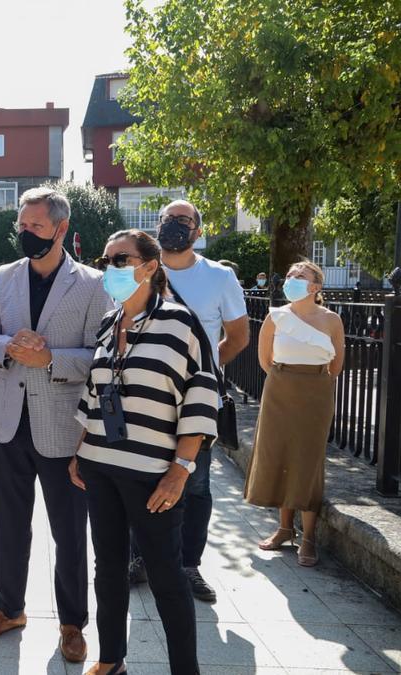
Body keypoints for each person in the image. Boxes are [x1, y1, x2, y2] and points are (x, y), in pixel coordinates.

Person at [0, 187, 111, 663]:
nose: (26, 234)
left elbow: (99, 357)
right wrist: (10, 347)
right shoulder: (6, 277)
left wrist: (50, 357)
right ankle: (8, 608)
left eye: (36, 227)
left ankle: (72, 624)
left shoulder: (92, 284)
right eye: (22, 227)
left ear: (61, 229)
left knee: (69, 532)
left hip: (64, 428)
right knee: (8, 526)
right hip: (8, 422)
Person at [69, 229, 219, 675]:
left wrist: (181, 470)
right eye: (106, 259)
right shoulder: (108, 322)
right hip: (100, 467)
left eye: (121, 259)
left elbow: (201, 396)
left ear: (150, 267)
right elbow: (95, 394)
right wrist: (80, 451)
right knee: (108, 568)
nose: (109, 267)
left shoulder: (179, 323)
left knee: (166, 576)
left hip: (153, 474)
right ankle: (112, 659)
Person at [127, 199, 248, 603]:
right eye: (168, 220)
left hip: (196, 402)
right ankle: (139, 558)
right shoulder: (140, 270)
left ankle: (187, 564)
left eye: (184, 221)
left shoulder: (219, 277)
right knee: (139, 474)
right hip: (143, 396)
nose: (175, 226)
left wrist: (203, 370)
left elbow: (239, 336)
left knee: (194, 484)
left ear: (198, 230)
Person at [245, 261, 344, 566]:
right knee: (280, 456)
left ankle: (309, 536)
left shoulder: (332, 319)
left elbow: (336, 366)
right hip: (280, 390)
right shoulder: (275, 317)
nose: (291, 280)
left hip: (316, 390)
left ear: (316, 287)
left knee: (307, 460)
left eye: (300, 276)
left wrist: (309, 379)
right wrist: (286, 378)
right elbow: (265, 360)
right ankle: (285, 528)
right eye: (290, 275)